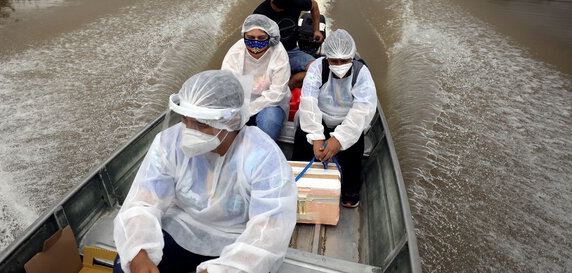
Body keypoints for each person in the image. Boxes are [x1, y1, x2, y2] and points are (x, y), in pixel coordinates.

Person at [112, 70, 297, 273]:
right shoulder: (169, 143)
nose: (189, 131)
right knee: (125, 265)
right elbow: (143, 201)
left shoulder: (262, 156)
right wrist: (139, 255)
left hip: (235, 241)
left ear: (232, 121)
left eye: (201, 124)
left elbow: (268, 232)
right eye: (185, 119)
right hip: (181, 229)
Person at [292, 29, 377, 208]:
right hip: (320, 116)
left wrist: (338, 140)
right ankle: (295, 181)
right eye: (334, 60)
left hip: (347, 120)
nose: (339, 64)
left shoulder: (361, 73)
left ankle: (350, 189)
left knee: (355, 146)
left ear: (352, 57)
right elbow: (308, 102)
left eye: (344, 60)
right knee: (302, 139)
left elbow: (362, 111)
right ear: (327, 57)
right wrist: (316, 138)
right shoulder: (317, 67)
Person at [221, 14, 291, 140]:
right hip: (240, 102)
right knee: (222, 121)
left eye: (261, 38)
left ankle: (263, 153)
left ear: (271, 38)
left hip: (270, 104)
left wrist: (247, 111)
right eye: (250, 38)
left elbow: (276, 94)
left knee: (270, 121)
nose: (255, 43)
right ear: (244, 36)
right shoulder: (235, 53)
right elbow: (227, 86)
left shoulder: (279, 54)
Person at [253, 0, 323, 89]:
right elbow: (252, 40)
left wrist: (316, 30)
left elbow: (314, 5)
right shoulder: (260, 14)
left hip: (291, 51)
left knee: (316, 69)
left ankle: (289, 86)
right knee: (259, 83)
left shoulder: (295, 2)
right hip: (270, 55)